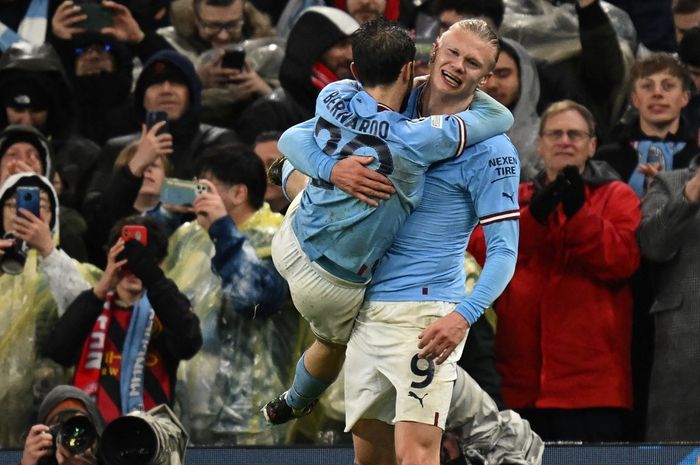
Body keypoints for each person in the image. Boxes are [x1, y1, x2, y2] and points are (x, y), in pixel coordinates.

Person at [263, 18, 513, 429]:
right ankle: (297, 399)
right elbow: (500, 117)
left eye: (473, 62)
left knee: (329, 182)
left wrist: (330, 168)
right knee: (330, 345)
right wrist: (336, 169)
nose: (457, 65)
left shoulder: (339, 94)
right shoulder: (425, 136)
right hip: (339, 283)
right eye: (452, 53)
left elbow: (292, 139)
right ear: (425, 57)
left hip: (295, 238)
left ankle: (289, 177)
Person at [469, 100, 640, 442]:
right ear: (540, 143)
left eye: (575, 134)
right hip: (516, 384)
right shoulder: (512, 197)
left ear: (592, 145)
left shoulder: (616, 196)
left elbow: (622, 261)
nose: (565, 141)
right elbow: (479, 253)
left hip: (592, 388)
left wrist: (580, 217)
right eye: (556, 133)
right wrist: (534, 219)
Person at [163, 144, 296, 445]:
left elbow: (254, 299)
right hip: (190, 410)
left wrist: (223, 230)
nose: (198, 195)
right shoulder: (187, 238)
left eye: (206, 187)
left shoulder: (278, 236)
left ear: (238, 193)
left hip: (252, 417)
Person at [44, 215, 203, 422]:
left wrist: (153, 277)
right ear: (111, 256)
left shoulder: (167, 307)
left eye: (146, 260)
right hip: (92, 436)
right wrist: (101, 289)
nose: (135, 268)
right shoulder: (91, 304)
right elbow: (59, 352)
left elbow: (189, 342)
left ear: (161, 262)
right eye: (127, 258)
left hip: (151, 437)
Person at [0, 172, 101, 447]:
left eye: (40, 204)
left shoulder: (75, 269)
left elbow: (87, 316)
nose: (25, 211)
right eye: (13, 203)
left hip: (49, 403)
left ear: (53, 215)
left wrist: (47, 250)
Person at [87, 49, 238, 210]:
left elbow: (232, 197)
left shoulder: (218, 143)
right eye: (156, 84)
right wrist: (135, 165)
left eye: (177, 83)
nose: (166, 90)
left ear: (192, 95)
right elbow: (94, 210)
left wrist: (161, 192)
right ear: (142, 99)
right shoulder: (117, 148)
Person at [637, 153, 700, 441]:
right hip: (685, 352)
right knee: (675, 448)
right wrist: (689, 196)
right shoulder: (670, 182)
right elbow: (652, 246)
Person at [0, 42, 102, 210]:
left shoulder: (84, 157)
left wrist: (61, 198)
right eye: (18, 109)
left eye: (37, 110)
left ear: (54, 110)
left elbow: (95, 225)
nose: (26, 120)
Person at [235, 6, 359, 144]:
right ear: (312, 49)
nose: (350, 55)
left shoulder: (358, 105)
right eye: (341, 45)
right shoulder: (268, 114)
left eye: (354, 45)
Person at [596, 53, 698, 198]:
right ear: (635, 99)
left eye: (668, 86)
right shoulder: (606, 158)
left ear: (685, 98)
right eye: (647, 86)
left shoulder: (698, 155)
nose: (657, 93)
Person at [481, 37, 542, 181]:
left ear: (523, 78)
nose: (492, 85)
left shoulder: (545, 136)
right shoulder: (454, 130)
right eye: (484, 76)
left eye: (503, 74)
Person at [20, 385, 105, 465]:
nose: (72, 438)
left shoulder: (111, 458)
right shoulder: (41, 459)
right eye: (59, 424)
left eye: (80, 427)